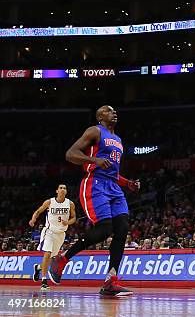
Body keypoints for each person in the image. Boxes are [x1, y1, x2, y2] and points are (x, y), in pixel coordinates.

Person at [47, 105, 140, 296]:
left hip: (114, 187)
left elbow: (112, 171)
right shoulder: (95, 131)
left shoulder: (119, 140)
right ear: (100, 117)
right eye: (108, 110)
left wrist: (128, 183)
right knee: (105, 229)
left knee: (122, 228)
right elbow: (70, 154)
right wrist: (94, 161)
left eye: (114, 111)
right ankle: (62, 259)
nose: (113, 112)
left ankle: (111, 281)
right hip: (95, 184)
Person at [29, 184, 76, 291]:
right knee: (47, 253)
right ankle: (44, 281)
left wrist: (67, 222)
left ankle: (38, 268)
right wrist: (33, 219)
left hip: (61, 234)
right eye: (61, 188)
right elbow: (38, 211)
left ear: (66, 191)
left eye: (65, 188)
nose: (63, 189)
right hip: (49, 232)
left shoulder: (70, 204)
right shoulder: (49, 202)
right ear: (57, 190)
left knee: (50, 259)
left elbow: (74, 218)